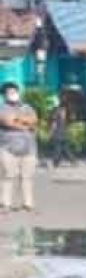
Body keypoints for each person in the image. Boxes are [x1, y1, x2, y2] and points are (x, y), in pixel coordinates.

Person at [0, 82, 38, 212]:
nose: (13, 94)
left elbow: (33, 120)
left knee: (27, 177)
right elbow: (7, 121)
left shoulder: (27, 107)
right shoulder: (2, 107)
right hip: (8, 148)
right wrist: (24, 123)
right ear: (4, 95)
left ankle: (28, 204)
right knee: (8, 176)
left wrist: (18, 120)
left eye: (15, 91)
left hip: (29, 148)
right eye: (10, 92)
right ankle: (6, 204)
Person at [50, 95, 75, 167]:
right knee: (65, 148)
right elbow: (71, 120)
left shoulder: (57, 111)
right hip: (65, 131)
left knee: (58, 148)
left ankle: (56, 162)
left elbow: (54, 123)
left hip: (58, 131)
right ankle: (72, 160)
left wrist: (51, 131)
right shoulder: (66, 110)